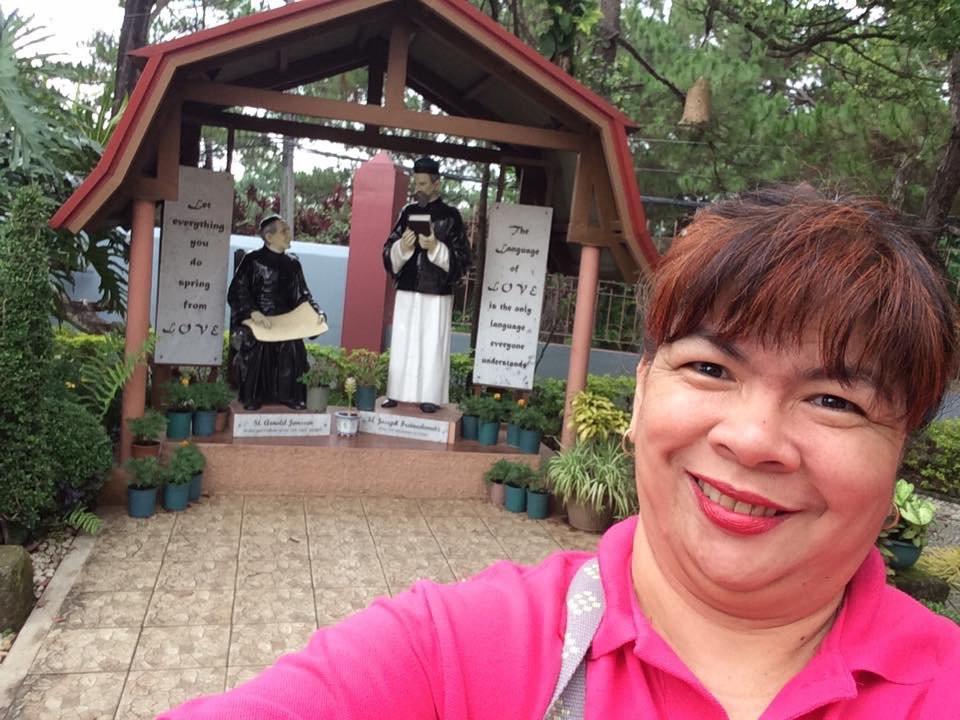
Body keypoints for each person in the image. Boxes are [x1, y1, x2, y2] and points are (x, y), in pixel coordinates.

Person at [158, 185, 960, 719]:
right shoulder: (460, 653)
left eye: (833, 400)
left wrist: (439, 258)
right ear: (642, 394)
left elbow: (457, 272)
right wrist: (406, 253)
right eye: (710, 368)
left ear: (901, 459)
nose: (752, 440)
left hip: (435, 313)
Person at [380, 156, 471, 413]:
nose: (418, 188)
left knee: (432, 343)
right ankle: (397, 391)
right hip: (408, 288)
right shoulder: (408, 212)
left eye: (423, 183)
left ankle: (429, 395)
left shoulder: (451, 217)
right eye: (416, 183)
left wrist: (436, 248)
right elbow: (389, 248)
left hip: (436, 291)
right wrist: (403, 247)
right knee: (402, 341)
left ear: (436, 184)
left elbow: (463, 260)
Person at [228, 214, 325, 410]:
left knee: (293, 346)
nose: (289, 235)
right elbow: (238, 291)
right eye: (284, 231)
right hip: (258, 318)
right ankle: (253, 396)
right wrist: (252, 312)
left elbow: (303, 294)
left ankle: (290, 396)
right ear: (269, 237)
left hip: (287, 320)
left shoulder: (293, 264)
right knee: (256, 345)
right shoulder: (252, 260)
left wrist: (316, 312)